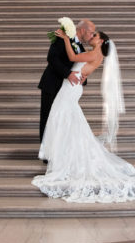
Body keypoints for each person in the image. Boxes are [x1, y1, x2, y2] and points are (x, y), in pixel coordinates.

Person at [33, 29, 135, 203]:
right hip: (71, 86)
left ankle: (62, 154)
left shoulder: (95, 53)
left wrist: (66, 38)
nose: (91, 37)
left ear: (102, 41)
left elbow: (73, 58)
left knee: (61, 117)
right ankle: (62, 152)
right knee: (65, 119)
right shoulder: (95, 53)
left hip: (71, 88)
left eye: (95, 36)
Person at [38, 19, 96, 156]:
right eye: (91, 33)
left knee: (61, 120)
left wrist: (83, 78)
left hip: (66, 90)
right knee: (48, 119)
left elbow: (78, 66)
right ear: (82, 30)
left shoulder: (80, 47)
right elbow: (52, 58)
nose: (92, 36)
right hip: (52, 85)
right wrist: (68, 74)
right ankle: (47, 154)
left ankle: (59, 152)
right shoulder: (62, 37)